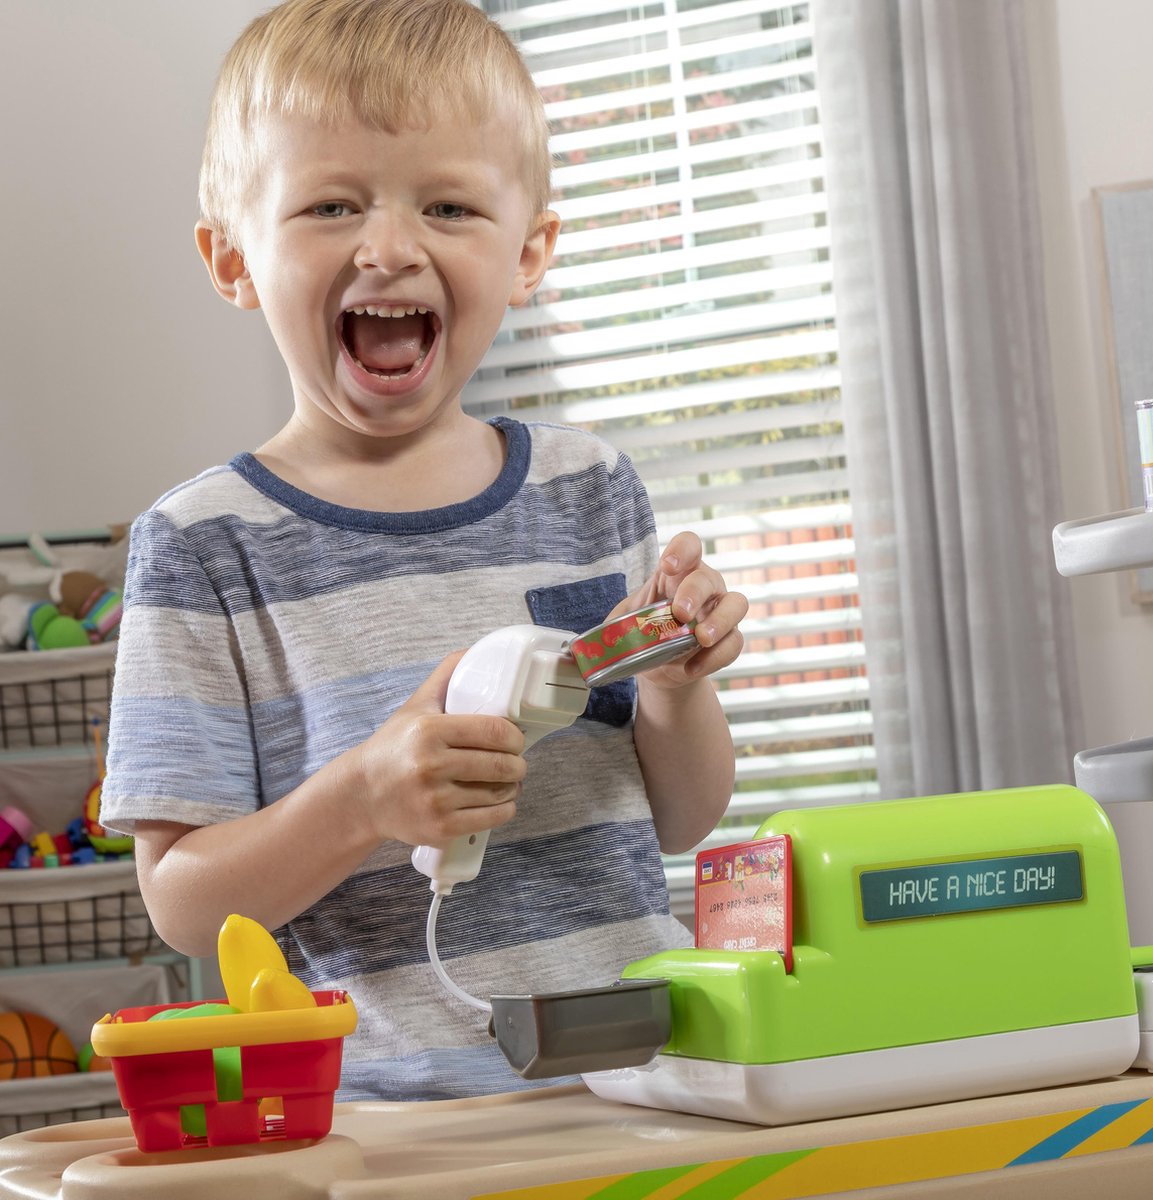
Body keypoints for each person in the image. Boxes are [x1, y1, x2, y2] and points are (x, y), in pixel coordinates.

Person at [100, 0, 747, 1102]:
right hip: (395, 1132)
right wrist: (361, 803)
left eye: (448, 204)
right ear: (233, 258)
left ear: (529, 250)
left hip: (649, 1093)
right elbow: (185, 902)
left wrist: (678, 696)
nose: (389, 246)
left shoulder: (587, 488)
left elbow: (681, 819)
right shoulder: (205, 548)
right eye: (329, 204)